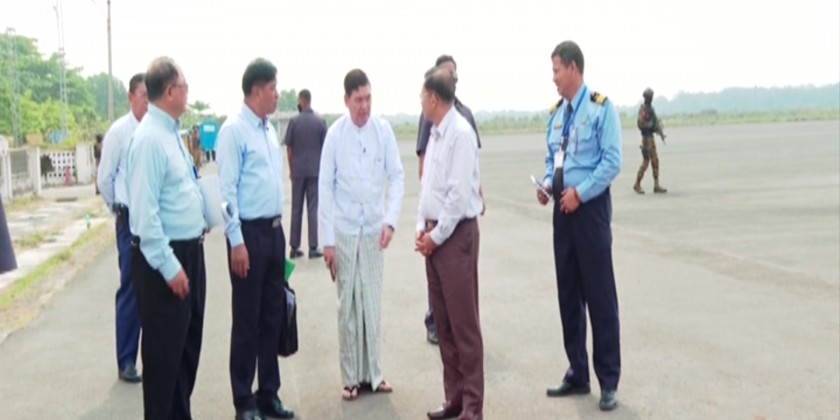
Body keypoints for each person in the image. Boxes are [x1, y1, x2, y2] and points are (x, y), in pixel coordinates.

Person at [537, 41, 622, 412]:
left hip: (589, 211)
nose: (553, 78)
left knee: (600, 297)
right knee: (568, 294)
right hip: (562, 211)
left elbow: (612, 162)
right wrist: (547, 185)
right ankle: (577, 371)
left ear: (573, 67)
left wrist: (581, 194)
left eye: (556, 70)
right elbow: (551, 159)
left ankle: (608, 381)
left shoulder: (602, 109)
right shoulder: (556, 115)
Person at [126, 57, 207, 420]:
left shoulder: (172, 133)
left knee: (185, 356)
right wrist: (170, 267)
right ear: (170, 91)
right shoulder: (149, 139)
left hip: (190, 252)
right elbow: (145, 217)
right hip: (164, 263)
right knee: (163, 363)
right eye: (185, 86)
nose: (188, 93)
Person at [216, 58, 295, 420]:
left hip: (274, 233)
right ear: (256, 90)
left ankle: (268, 394)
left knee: (272, 316)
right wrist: (236, 241)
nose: (278, 95)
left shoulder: (268, 130)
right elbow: (226, 192)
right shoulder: (234, 131)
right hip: (248, 236)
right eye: (273, 88)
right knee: (247, 321)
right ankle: (243, 400)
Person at [318, 68, 404, 401]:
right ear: (346, 100)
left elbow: (397, 176)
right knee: (348, 308)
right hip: (343, 231)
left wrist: (390, 221)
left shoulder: (383, 130)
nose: (364, 106)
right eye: (358, 100)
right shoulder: (335, 135)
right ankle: (351, 378)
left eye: (368, 98)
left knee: (371, 303)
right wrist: (327, 241)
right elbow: (325, 188)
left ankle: (374, 374)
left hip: (373, 231)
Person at [415, 67, 484, 420]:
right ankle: (454, 399)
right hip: (436, 239)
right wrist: (420, 227)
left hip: (455, 238)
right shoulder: (436, 133)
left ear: (433, 98)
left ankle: (472, 407)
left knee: (464, 327)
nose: (420, 102)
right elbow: (427, 188)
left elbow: (457, 198)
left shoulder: (460, 133)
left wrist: (435, 236)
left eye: (421, 96)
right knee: (444, 326)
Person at [96, 72, 148, 384]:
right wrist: (117, 207)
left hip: (153, 219)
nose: (147, 102)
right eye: (142, 96)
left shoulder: (157, 130)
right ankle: (126, 359)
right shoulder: (119, 132)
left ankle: (152, 356)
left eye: (150, 96)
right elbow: (104, 178)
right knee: (131, 288)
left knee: (153, 289)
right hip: (129, 220)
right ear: (130, 97)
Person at [284, 89, 327, 260]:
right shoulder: (320, 121)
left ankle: (294, 247)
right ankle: (313, 246)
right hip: (315, 171)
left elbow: (289, 148)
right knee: (312, 208)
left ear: (301, 101)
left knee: (296, 209)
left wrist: (291, 169)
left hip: (298, 171)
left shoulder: (294, 122)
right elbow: (326, 148)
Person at [633, 87, 668, 194]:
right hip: (646, 139)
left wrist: (660, 132)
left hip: (651, 139)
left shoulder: (650, 109)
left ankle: (656, 185)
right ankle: (637, 184)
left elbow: (656, 123)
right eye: (650, 96)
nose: (651, 98)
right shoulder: (643, 110)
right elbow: (640, 124)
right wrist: (651, 125)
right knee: (646, 161)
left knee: (655, 161)